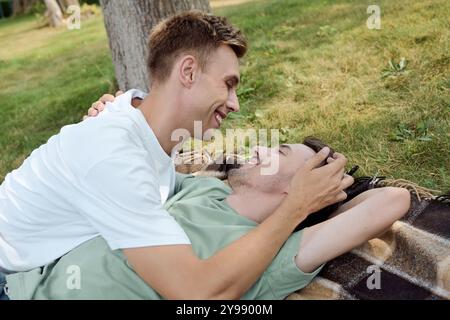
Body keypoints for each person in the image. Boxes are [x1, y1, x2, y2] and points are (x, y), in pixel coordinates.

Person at [0, 11, 353, 300]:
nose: (235, 103)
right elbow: (196, 295)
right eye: (228, 84)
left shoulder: (137, 127)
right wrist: (296, 207)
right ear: (188, 72)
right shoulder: (113, 155)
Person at [5, 142, 410, 299]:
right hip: (21, 268)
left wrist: (305, 206)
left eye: (279, 152)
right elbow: (135, 176)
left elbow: (392, 199)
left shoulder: (274, 253)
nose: (261, 147)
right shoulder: (208, 188)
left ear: (296, 191)